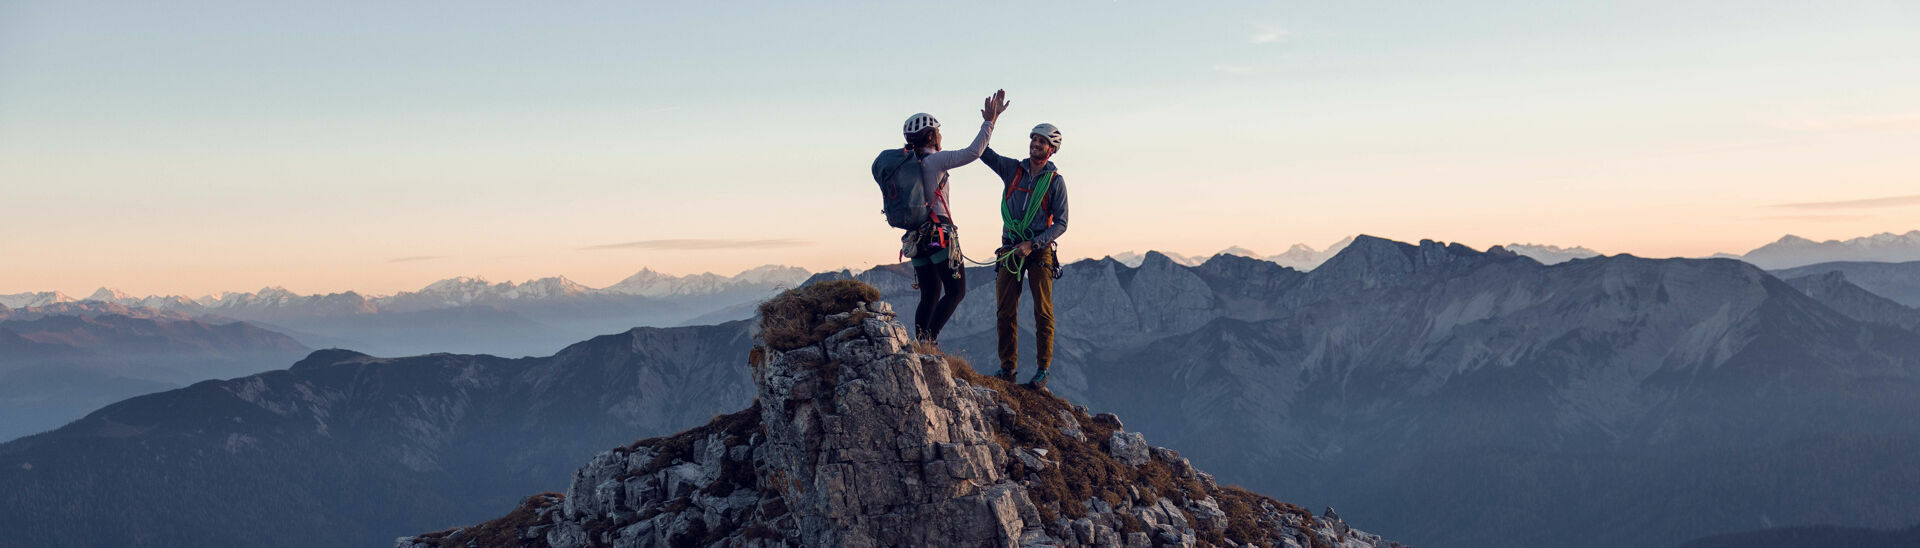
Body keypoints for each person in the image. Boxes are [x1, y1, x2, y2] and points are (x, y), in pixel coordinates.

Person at [900, 90, 1009, 345]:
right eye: (938, 132)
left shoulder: (908, 164)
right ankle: (929, 342)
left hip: (916, 238)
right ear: (930, 135)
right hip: (939, 234)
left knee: (928, 294)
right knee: (956, 292)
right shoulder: (935, 160)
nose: (941, 136)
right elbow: (973, 152)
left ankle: (921, 345)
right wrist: (990, 122)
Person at [978, 123, 1068, 389]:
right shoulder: (1013, 170)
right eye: (1034, 139)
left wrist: (1033, 243)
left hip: (1038, 250)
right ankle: (1008, 369)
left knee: (1042, 311)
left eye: (1042, 142)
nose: (1035, 144)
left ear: (1051, 150)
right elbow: (983, 153)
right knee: (1005, 310)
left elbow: (1061, 223)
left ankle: (1042, 370)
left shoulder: (1055, 182)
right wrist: (989, 123)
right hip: (1010, 248)